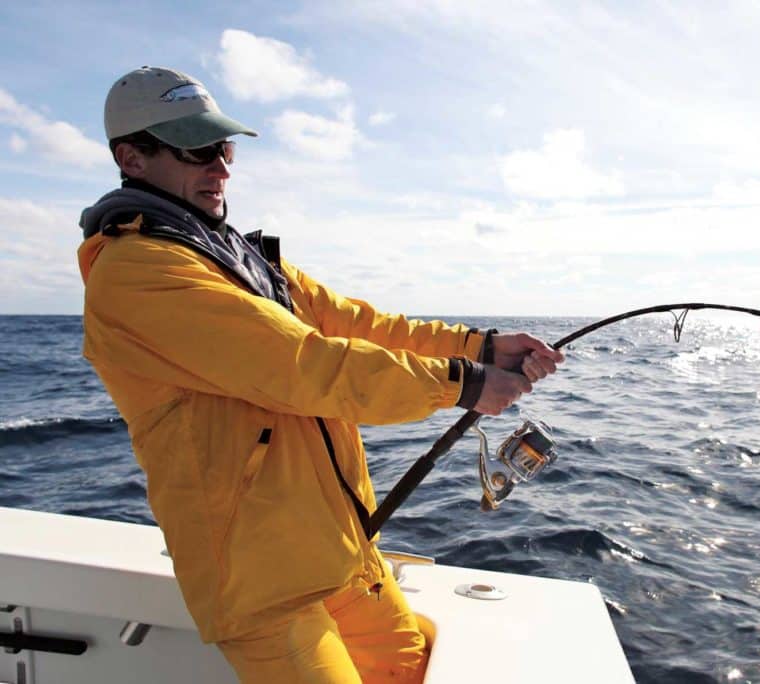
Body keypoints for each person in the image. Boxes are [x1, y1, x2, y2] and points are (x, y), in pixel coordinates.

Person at [77, 66, 564, 683]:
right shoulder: (136, 273)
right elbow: (303, 365)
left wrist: (483, 346)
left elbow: (364, 327)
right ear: (133, 158)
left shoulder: (244, 260)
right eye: (197, 150)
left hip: (343, 551)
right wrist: (463, 383)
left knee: (413, 672)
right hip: (260, 580)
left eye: (223, 148)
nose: (221, 167)